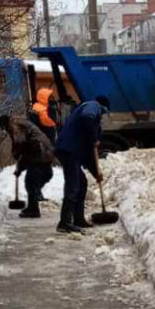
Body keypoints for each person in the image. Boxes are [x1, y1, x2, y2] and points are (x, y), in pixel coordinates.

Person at [54, 96, 110, 233]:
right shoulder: (92, 105)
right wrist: (94, 138)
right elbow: (88, 117)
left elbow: (89, 156)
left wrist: (96, 173)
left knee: (82, 182)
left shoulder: (86, 125)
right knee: (73, 185)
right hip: (68, 149)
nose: (101, 115)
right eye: (103, 113)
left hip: (71, 150)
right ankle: (64, 222)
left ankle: (78, 219)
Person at [0, 114, 55, 219]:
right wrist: (20, 166)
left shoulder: (14, 124)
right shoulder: (19, 122)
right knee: (41, 176)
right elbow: (24, 148)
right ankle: (34, 202)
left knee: (31, 182)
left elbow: (21, 144)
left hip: (38, 151)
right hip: (45, 150)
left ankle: (33, 210)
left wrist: (16, 154)